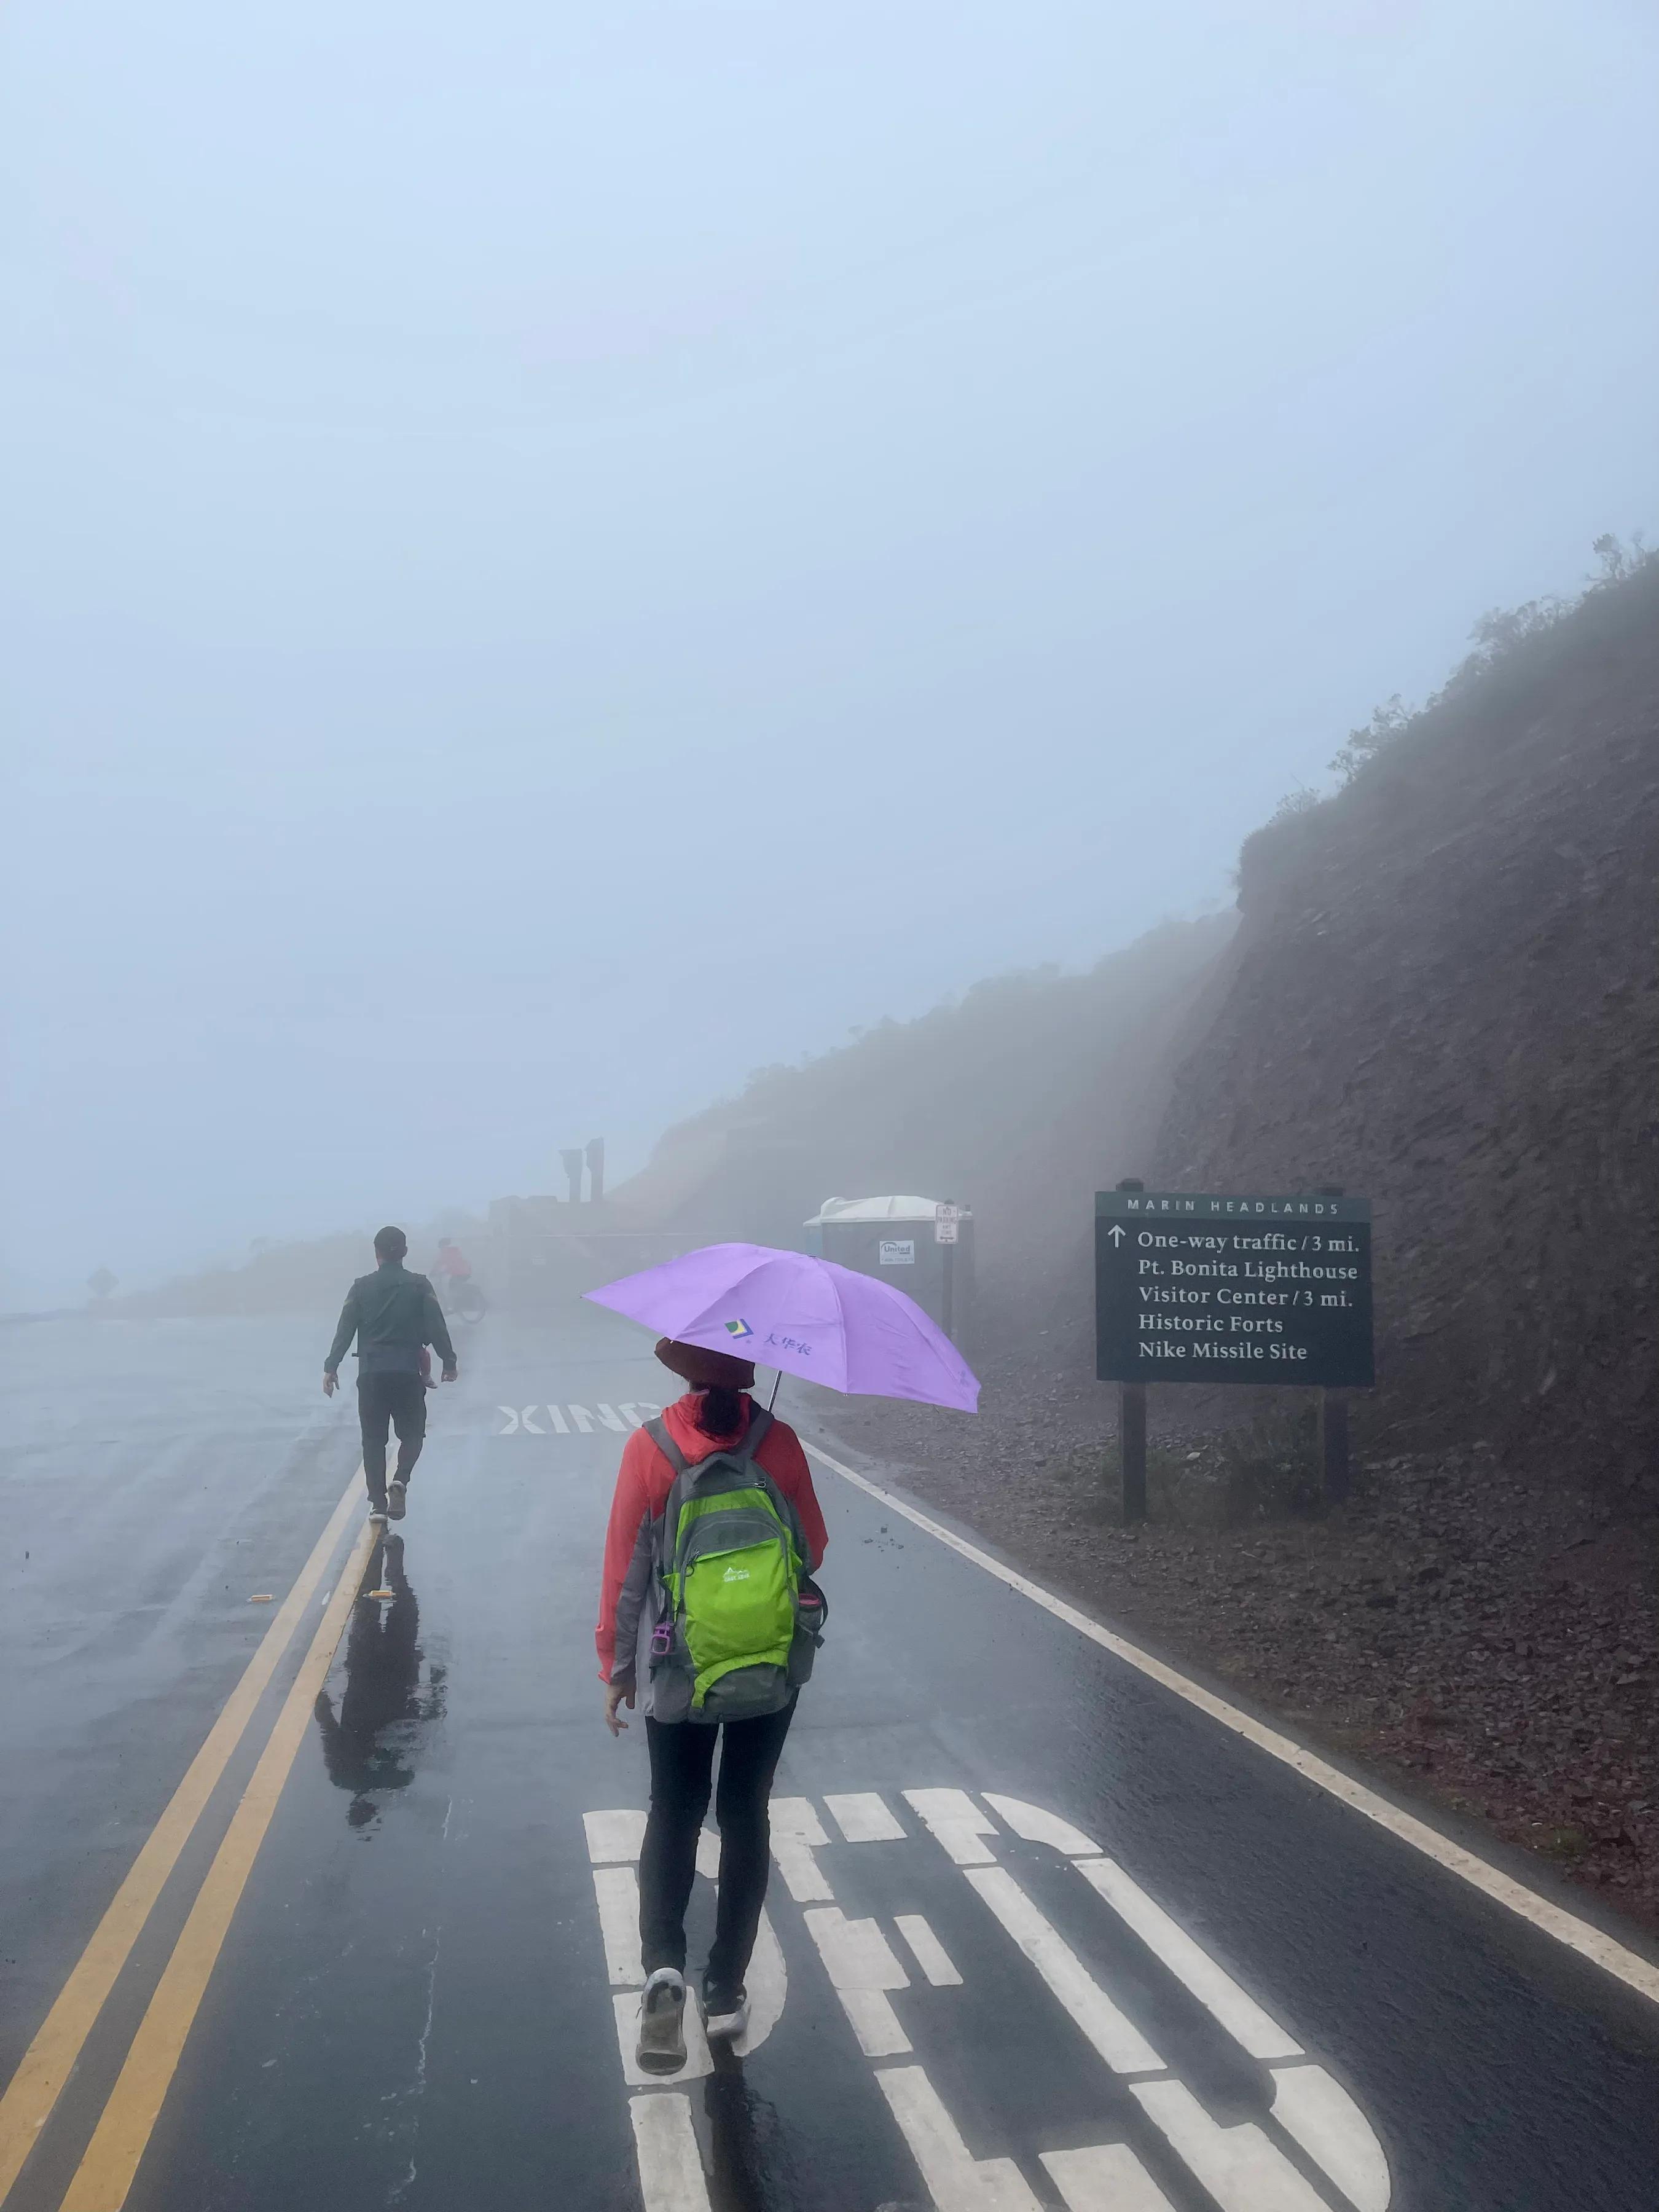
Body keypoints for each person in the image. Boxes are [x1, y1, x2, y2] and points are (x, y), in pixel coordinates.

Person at [597, 1338, 827, 2073]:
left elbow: (624, 1568)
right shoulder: (780, 1442)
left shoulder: (651, 1446)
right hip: (769, 1667)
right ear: (750, 1374)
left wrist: (617, 1665)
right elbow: (812, 1548)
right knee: (744, 1814)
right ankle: (725, 1989)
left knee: (675, 1812)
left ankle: (664, 1966)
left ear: (682, 1372)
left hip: (678, 1669)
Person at [323, 1226, 457, 1523]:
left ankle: (377, 1504)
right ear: (405, 1252)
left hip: (372, 1374)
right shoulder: (420, 1285)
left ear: (377, 1253)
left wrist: (331, 1366)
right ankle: (401, 1480)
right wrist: (449, 1361)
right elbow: (436, 1325)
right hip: (407, 1373)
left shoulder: (360, 1288)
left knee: (373, 1440)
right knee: (413, 1435)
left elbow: (345, 1329)